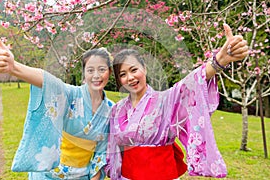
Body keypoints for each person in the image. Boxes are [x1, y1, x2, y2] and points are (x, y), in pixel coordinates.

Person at [105, 24, 249, 180]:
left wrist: (219, 61)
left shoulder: (165, 100)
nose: (130, 78)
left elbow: (188, 85)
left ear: (144, 69)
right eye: (123, 74)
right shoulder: (117, 110)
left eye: (134, 70)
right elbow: (112, 148)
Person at [0, 33, 114, 180]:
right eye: (90, 70)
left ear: (109, 72)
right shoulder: (71, 95)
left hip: (82, 175)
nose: (96, 75)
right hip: (51, 173)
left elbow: (103, 149)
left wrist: (95, 175)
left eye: (101, 69)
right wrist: (14, 67)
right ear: (84, 73)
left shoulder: (111, 109)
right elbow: (49, 82)